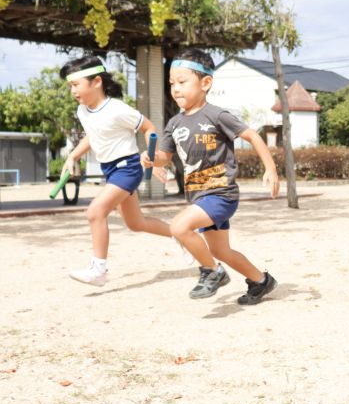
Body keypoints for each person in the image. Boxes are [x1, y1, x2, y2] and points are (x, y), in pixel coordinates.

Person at [141, 49, 281, 304]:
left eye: (182, 82)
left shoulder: (217, 115)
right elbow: (164, 155)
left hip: (221, 194)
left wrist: (270, 169)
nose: (176, 88)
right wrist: (151, 158)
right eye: (172, 83)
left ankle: (211, 271)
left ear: (205, 83)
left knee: (179, 227)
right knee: (220, 249)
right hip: (199, 197)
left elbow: (252, 136)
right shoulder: (174, 124)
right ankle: (261, 281)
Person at [60, 55, 173, 287]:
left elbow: (149, 128)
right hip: (110, 170)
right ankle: (183, 235)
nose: (73, 91)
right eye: (71, 86)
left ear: (97, 81)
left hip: (128, 167)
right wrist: (73, 155)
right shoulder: (83, 110)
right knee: (136, 223)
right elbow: (93, 136)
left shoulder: (117, 109)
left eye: (75, 84)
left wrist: (152, 155)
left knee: (95, 212)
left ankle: (98, 270)